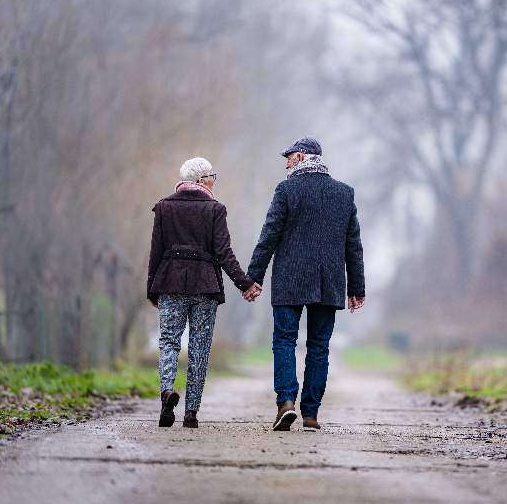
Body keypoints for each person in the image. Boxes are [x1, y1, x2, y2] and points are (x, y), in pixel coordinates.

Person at [246, 137, 365, 431]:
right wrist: (356, 288)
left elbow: (269, 234)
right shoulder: (344, 193)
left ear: (300, 157)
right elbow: (354, 245)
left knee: (284, 341)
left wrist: (253, 277)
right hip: (329, 282)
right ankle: (310, 414)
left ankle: (286, 402)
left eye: (288, 157)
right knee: (319, 347)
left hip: (290, 280)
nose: (286, 163)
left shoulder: (287, 190)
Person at [147, 157, 262, 428]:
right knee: (199, 348)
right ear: (201, 180)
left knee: (169, 342)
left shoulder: (164, 207)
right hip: (205, 287)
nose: (213, 181)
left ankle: (166, 392)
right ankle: (191, 413)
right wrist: (245, 283)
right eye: (212, 176)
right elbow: (223, 253)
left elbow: (155, 252)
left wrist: (152, 289)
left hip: (169, 284)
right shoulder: (215, 209)